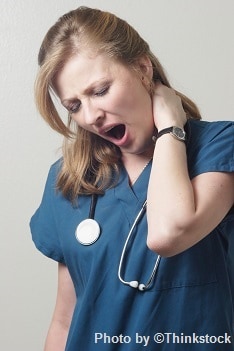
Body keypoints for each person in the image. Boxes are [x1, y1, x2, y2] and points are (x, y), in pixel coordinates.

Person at [30, 6, 234, 351]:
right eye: (74, 106)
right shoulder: (69, 180)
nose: (91, 116)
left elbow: (169, 233)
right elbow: (65, 319)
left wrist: (171, 127)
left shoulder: (218, 148)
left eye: (99, 90)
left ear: (142, 68)